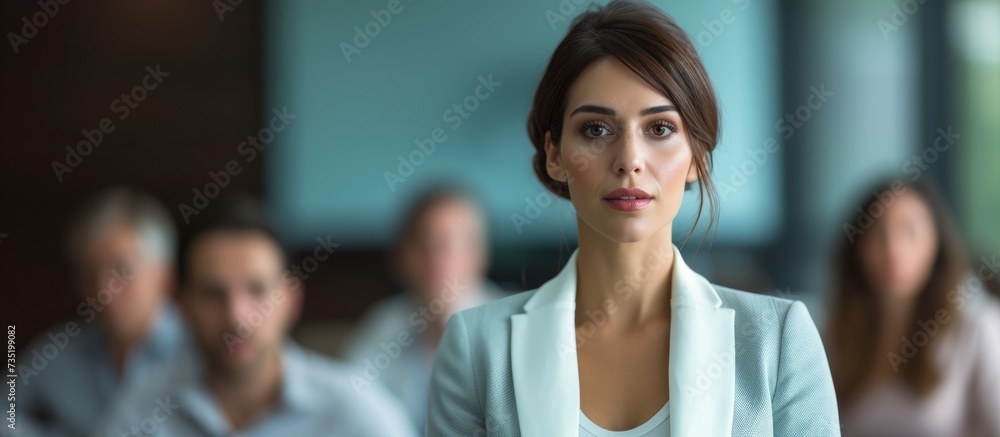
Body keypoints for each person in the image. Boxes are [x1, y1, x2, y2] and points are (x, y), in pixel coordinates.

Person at [425, 1, 841, 435]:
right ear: (554, 155)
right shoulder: (477, 349)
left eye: (659, 128)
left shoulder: (778, 342)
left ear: (698, 156)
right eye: (596, 130)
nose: (629, 161)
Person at [95, 196, 414, 437]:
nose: (237, 317)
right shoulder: (142, 409)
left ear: (291, 299)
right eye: (213, 293)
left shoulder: (356, 414)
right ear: (182, 304)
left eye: (258, 290)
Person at [827, 179, 1000, 437]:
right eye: (877, 233)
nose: (893, 249)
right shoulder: (835, 335)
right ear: (857, 247)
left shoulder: (978, 326)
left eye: (910, 231)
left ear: (937, 243)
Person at [16, 188, 189, 436]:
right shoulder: (58, 350)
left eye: (121, 270)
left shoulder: (202, 353)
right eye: (89, 275)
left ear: (164, 276)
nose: (103, 291)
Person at [341, 186, 507, 433]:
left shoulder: (514, 325)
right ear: (401, 256)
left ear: (478, 254)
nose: (435, 259)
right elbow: (350, 406)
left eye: (448, 245)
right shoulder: (382, 325)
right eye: (423, 244)